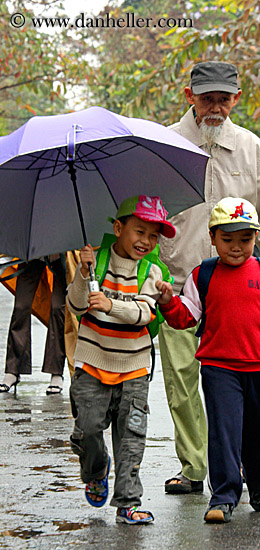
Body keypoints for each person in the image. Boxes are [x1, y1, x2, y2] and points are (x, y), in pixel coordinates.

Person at [158, 60, 260, 494]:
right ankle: (195, 468)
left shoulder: (252, 148)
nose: (215, 106)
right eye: (207, 97)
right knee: (182, 384)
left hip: (240, 297)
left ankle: (242, 465)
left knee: (245, 389)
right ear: (189, 96)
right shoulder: (165, 145)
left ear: (236, 98)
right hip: (180, 288)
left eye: (223, 98)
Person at [156, 197, 260, 522]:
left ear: (256, 238)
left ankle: (259, 486)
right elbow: (186, 316)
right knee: (224, 431)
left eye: (245, 239)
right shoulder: (203, 275)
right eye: (227, 239)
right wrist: (169, 303)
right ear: (212, 237)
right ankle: (223, 496)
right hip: (219, 369)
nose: (237, 247)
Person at [66, 195, 175, 524]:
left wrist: (110, 305)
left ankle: (128, 502)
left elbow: (144, 313)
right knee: (85, 432)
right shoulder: (96, 260)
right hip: (90, 364)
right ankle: (96, 469)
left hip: (134, 368)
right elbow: (75, 305)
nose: (146, 241)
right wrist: (84, 274)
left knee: (132, 438)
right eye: (139, 231)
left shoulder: (152, 270)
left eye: (153, 236)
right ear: (118, 227)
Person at [0, 255, 66, 395]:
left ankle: (56, 372)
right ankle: (13, 369)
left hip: (64, 255)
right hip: (33, 254)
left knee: (58, 308)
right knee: (21, 306)